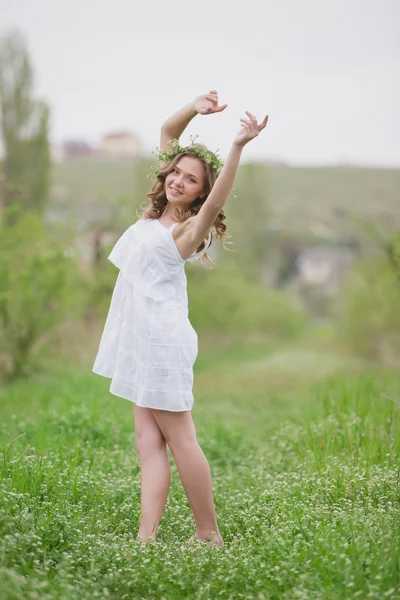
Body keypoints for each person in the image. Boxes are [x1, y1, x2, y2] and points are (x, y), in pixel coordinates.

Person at [92, 90, 269, 547]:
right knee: (147, 443)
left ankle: (208, 533)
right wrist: (195, 107)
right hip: (139, 341)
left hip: (161, 343)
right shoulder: (156, 215)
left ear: (199, 193)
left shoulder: (187, 232)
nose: (179, 181)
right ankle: (145, 539)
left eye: (191, 181)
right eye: (177, 172)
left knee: (181, 440)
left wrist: (236, 147)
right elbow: (169, 132)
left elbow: (218, 198)